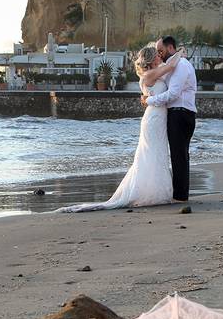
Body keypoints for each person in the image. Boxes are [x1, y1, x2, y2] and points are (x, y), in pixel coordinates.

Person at [57, 45, 181, 212]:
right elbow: (172, 66)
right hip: (153, 119)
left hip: (158, 117)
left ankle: (156, 192)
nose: (160, 56)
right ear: (152, 60)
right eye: (157, 55)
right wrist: (180, 52)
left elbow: (168, 72)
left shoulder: (153, 73)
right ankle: (150, 193)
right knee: (151, 154)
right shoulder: (149, 75)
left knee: (157, 153)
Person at [145, 36, 197, 202]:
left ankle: (181, 195)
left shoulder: (181, 65)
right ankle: (180, 192)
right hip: (178, 112)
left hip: (180, 113)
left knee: (179, 154)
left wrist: (149, 100)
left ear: (169, 48)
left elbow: (173, 94)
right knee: (179, 154)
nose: (159, 54)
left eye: (161, 50)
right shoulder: (173, 65)